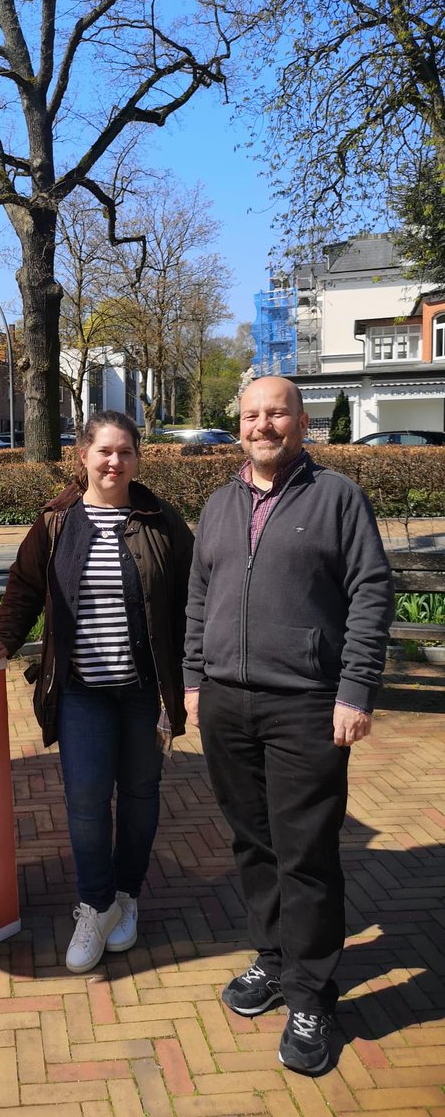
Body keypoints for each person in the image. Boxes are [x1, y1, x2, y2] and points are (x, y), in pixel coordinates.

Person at [183, 376, 393, 1076]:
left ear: (302, 421)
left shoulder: (337, 498)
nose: (262, 424)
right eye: (251, 414)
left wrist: (355, 688)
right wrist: (191, 679)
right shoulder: (217, 504)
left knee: (306, 854)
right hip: (225, 703)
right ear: (236, 424)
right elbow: (199, 594)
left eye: (276, 412)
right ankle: (273, 960)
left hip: (306, 703)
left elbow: (369, 592)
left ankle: (311, 995)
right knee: (253, 845)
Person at [0, 411, 193, 973]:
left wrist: (192, 676)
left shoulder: (161, 521)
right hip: (81, 691)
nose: (114, 462)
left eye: (125, 451)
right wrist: (4, 636)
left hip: (145, 687)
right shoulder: (56, 520)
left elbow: (191, 600)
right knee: (87, 802)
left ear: (138, 458)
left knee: (142, 796)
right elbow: (25, 587)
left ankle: (127, 896)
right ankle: (94, 905)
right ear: (83, 455)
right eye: (104, 451)